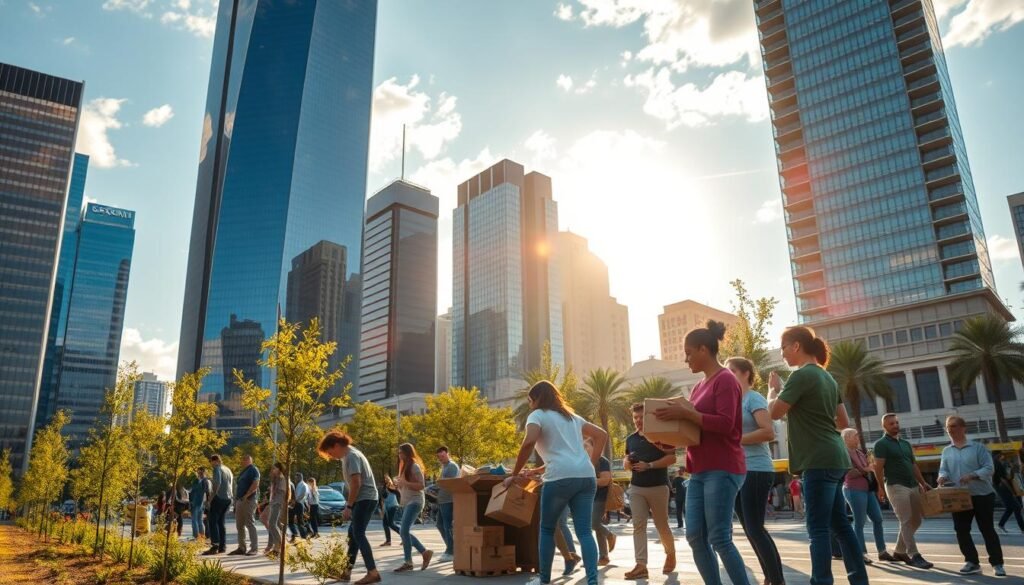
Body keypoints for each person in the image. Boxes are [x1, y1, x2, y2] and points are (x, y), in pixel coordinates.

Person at [767, 325, 868, 585]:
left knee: (818, 529)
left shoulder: (801, 376)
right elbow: (842, 421)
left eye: (784, 348)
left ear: (796, 346)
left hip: (817, 460)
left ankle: (821, 581)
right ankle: (859, 580)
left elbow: (774, 413)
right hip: (836, 456)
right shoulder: (828, 378)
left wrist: (773, 391)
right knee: (842, 527)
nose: (783, 355)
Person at [654, 320, 748, 585]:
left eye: (688, 352)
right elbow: (696, 430)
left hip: (723, 467)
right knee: (695, 536)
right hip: (699, 471)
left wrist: (687, 413)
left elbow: (726, 424)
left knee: (719, 537)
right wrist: (671, 442)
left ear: (704, 350)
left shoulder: (726, 380)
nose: (686, 359)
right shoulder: (698, 387)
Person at [505, 380, 608, 585]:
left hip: (560, 478)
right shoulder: (572, 417)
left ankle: (544, 580)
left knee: (547, 529)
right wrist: (590, 462)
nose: (529, 405)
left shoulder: (537, 415)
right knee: (585, 531)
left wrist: (514, 474)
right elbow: (602, 435)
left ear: (536, 399)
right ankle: (593, 581)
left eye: (530, 400)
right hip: (586, 477)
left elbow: (528, 443)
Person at [728, 357, 784, 585]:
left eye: (731, 370)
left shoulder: (754, 398)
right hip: (737, 471)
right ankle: (770, 577)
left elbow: (768, 432)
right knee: (750, 529)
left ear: (746, 373)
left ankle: (777, 580)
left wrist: (735, 440)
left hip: (756, 469)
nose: (726, 374)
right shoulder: (731, 402)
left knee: (755, 528)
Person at [938, 415, 1006, 577]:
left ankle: (997, 564)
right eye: (948, 427)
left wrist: (972, 475)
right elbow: (944, 469)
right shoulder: (946, 451)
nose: (950, 430)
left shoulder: (978, 448)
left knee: (987, 529)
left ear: (963, 428)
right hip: (959, 496)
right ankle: (972, 562)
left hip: (982, 494)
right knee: (961, 530)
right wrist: (942, 476)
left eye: (953, 426)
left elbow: (989, 469)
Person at [318, 431, 381, 585]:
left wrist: (349, 506)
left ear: (337, 445)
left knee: (358, 534)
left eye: (330, 452)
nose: (331, 456)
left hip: (365, 498)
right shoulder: (348, 455)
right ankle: (346, 572)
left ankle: (372, 573)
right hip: (365, 498)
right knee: (353, 534)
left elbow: (356, 483)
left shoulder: (351, 456)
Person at [873, 413, 933, 569]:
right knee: (905, 520)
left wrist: (923, 482)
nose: (895, 425)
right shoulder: (881, 444)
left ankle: (899, 551)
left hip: (913, 485)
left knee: (917, 520)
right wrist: (879, 487)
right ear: (884, 426)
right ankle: (915, 554)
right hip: (895, 485)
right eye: (891, 423)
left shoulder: (906, 443)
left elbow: (913, 465)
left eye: (897, 423)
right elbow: (878, 468)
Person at [840, 429, 889, 564]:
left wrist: (871, 468)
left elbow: (870, 468)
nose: (858, 438)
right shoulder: (844, 453)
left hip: (867, 490)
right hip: (854, 490)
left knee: (878, 518)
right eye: (855, 436)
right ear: (847, 438)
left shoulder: (860, 453)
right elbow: (848, 474)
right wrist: (866, 469)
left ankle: (882, 551)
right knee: (859, 522)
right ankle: (860, 553)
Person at [394, 442, 434, 572]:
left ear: (407, 453)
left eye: (401, 452)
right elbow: (404, 488)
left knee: (403, 530)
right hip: (407, 502)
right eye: (399, 452)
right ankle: (418, 556)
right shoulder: (404, 467)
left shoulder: (414, 466)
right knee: (404, 531)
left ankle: (412, 559)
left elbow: (421, 485)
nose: (399, 455)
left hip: (415, 501)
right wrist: (395, 485)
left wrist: (404, 482)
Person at [589, 439, 614, 566]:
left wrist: (588, 480)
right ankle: (603, 557)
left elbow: (605, 480)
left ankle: (610, 535)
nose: (584, 449)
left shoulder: (602, 461)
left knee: (593, 524)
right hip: (588, 498)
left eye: (586, 446)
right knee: (596, 527)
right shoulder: (584, 461)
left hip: (600, 498)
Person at [230, 454, 260, 556]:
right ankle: (241, 547)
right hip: (240, 500)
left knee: (250, 523)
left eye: (243, 459)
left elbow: (256, 483)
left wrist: (247, 495)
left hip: (249, 500)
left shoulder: (253, 469)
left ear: (249, 460)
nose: (241, 461)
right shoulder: (243, 471)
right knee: (239, 525)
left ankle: (254, 548)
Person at [203, 454, 233, 556]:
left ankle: (215, 545)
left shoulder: (217, 469)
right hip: (228, 498)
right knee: (221, 522)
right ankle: (222, 546)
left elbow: (217, 483)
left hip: (219, 497)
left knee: (212, 521)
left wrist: (210, 499)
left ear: (215, 461)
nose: (211, 464)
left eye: (211, 462)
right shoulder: (228, 469)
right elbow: (231, 484)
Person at [435, 446, 459, 561]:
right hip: (442, 500)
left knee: (447, 525)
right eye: (439, 457)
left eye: (442, 456)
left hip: (448, 500)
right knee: (440, 525)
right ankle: (451, 548)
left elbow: (449, 483)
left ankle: (451, 551)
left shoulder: (452, 466)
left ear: (448, 454)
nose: (441, 458)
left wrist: (433, 486)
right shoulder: (444, 467)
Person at [993, 452, 1024, 533]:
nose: (1003, 457)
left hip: (1002, 488)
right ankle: (1022, 528)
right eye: (1002, 455)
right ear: (998, 455)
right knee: (1017, 507)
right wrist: (1011, 491)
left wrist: (1012, 469)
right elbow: (1003, 480)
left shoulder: (999, 463)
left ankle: (1001, 524)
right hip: (1003, 488)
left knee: (1010, 508)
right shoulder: (997, 464)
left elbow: (1007, 477)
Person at [264, 463, 288, 556]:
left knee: (272, 524)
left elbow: (282, 493)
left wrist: (273, 494)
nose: (273, 470)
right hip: (273, 503)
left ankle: (279, 545)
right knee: (275, 524)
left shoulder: (281, 478)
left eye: (274, 468)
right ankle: (277, 547)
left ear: (279, 469)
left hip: (277, 503)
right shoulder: (276, 479)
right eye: (272, 468)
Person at [289, 472, 312, 542]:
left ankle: (304, 535)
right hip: (297, 503)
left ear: (300, 477)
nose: (295, 479)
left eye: (296, 477)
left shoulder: (303, 485)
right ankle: (298, 534)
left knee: (299, 521)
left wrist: (294, 501)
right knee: (294, 521)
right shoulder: (299, 484)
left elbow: (302, 495)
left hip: (299, 504)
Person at [189, 467, 211, 540]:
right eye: (198, 472)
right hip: (198, 502)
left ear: (204, 472)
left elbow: (207, 492)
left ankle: (197, 537)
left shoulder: (204, 481)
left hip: (198, 503)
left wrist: (207, 502)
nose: (199, 473)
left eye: (200, 472)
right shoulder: (198, 480)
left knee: (195, 520)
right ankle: (201, 537)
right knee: (199, 520)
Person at [379, 476, 401, 546]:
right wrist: (382, 511)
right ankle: (388, 541)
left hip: (393, 506)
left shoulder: (392, 486)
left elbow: (397, 491)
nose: (386, 480)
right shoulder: (384, 488)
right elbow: (382, 499)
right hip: (387, 507)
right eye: (385, 479)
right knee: (385, 524)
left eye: (387, 478)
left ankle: (405, 537)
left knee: (391, 524)